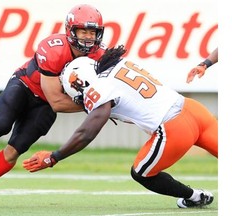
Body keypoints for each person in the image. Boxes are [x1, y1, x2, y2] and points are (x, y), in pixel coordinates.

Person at [0, 4, 106, 208]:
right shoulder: (54, 48)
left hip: (45, 104)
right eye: (83, 31)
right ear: (70, 30)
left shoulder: (101, 56)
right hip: (26, 86)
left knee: (14, 151)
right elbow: (56, 100)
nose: (88, 37)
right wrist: (95, 104)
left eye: (93, 32)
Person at [22, 45, 218, 208]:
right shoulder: (116, 64)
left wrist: (54, 157)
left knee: (142, 173)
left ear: (78, 83)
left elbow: (87, 132)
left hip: (173, 128)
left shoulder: (96, 86)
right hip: (194, 110)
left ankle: (194, 197)